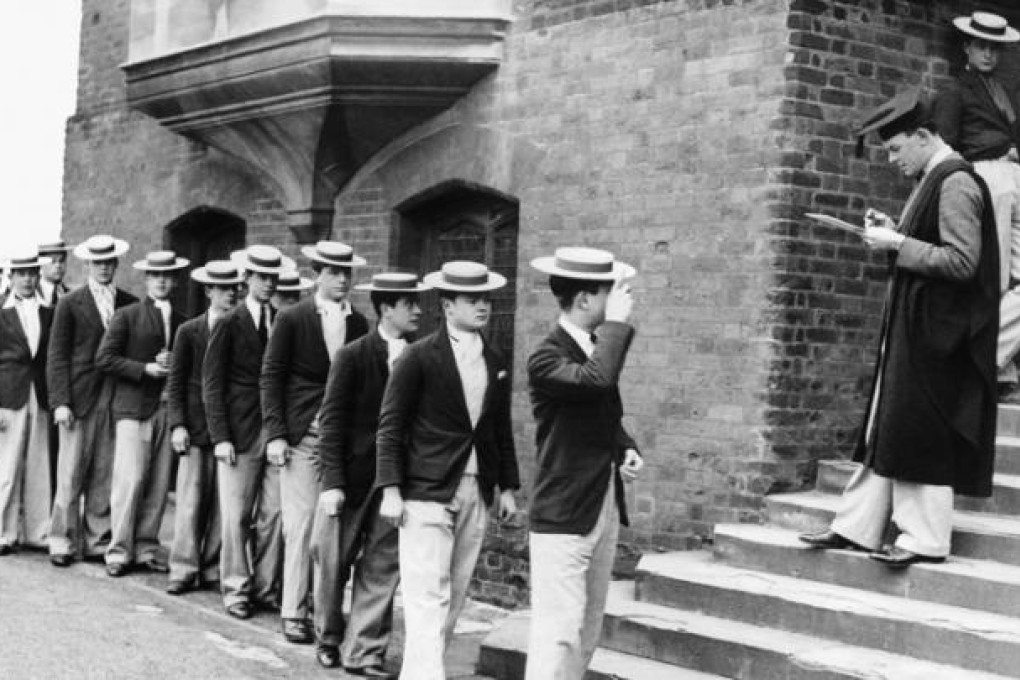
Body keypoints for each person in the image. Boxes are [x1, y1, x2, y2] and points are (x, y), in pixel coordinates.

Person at [800, 88, 999, 567]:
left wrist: (898, 243)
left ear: (925, 136)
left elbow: (961, 261)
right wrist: (895, 230)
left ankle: (925, 538)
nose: (891, 159)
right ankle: (857, 526)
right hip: (919, 325)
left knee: (917, 428)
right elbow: (930, 242)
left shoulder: (954, 182)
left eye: (895, 148)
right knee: (888, 423)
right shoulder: (936, 177)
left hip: (939, 334)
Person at [375, 260, 520, 680]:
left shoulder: (494, 358)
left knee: (454, 595)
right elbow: (390, 426)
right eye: (472, 300)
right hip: (426, 490)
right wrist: (390, 488)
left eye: (486, 299)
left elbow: (498, 426)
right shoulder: (418, 356)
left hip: (476, 489)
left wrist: (507, 486)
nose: (483, 307)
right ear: (447, 305)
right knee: (425, 596)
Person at [524, 247, 644, 680]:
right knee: (558, 633)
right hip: (564, 512)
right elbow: (595, 382)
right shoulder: (546, 356)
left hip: (601, 504)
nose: (619, 301)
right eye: (608, 294)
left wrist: (625, 446)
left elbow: (602, 412)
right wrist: (617, 324)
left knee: (587, 629)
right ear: (585, 301)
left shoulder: (595, 350)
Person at [312, 272, 429, 675]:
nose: (417, 310)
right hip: (350, 478)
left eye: (417, 303)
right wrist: (331, 483)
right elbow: (331, 421)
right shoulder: (353, 355)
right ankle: (328, 636)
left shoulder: (422, 356)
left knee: (381, 567)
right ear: (385, 308)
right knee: (332, 561)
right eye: (408, 303)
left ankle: (363, 651)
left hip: (393, 482)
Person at [261, 241, 370, 644]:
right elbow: (271, 377)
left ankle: (325, 615)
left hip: (340, 442)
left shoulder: (359, 323)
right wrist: (275, 433)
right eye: (334, 271)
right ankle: (294, 611)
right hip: (302, 435)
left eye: (347, 272)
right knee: (301, 524)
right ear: (317, 274)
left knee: (331, 534)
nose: (342, 279)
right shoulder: (292, 318)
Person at [931, 11, 1020, 398]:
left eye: (994, 47)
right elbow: (947, 146)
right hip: (987, 178)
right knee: (995, 275)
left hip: (1013, 178)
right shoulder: (956, 90)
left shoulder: (1002, 91)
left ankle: (990, 356)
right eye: (981, 45)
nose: (988, 54)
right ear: (967, 46)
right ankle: (995, 368)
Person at [202, 245, 289, 619]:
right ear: (247, 280)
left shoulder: (284, 321)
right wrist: (220, 437)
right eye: (262, 278)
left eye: (273, 278)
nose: (269, 284)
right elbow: (212, 384)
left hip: (276, 431)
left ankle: (266, 588)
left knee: (274, 513)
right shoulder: (228, 323)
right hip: (238, 433)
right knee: (236, 515)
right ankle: (236, 588)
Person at [96, 250, 188, 577]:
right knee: (129, 480)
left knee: (159, 482)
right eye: (155, 275)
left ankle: (147, 547)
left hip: (166, 407)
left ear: (174, 280)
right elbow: (104, 359)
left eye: (167, 275)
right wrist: (144, 368)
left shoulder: (182, 321)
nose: (162, 280)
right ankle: (119, 550)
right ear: (147, 279)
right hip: (133, 409)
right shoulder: (128, 315)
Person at [47, 235, 137, 567]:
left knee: (104, 471)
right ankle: (62, 539)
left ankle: (97, 540)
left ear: (116, 265)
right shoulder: (71, 303)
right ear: (87, 265)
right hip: (78, 397)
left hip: (114, 398)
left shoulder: (129, 303)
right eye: (97, 263)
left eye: (108, 263)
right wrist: (60, 401)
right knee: (69, 471)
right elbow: (57, 356)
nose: (103, 268)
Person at [165, 260, 242, 595]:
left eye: (234, 288)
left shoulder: (243, 329)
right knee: (191, 500)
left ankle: (211, 567)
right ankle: (183, 567)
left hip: (231, 429)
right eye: (223, 289)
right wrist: (178, 424)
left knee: (223, 503)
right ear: (208, 291)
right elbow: (177, 381)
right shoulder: (189, 331)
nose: (230, 295)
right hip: (196, 428)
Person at [0, 249, 54, 555]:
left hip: (40, 394)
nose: (28, 279)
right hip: (8, 396)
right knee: (6, 465)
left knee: (38, 462)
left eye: (32, 273)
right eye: (22, 274)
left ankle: (38, 532)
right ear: (11, 277)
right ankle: (3, 533)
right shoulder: (1, 310)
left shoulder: (49, 310)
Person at [37, 240, 72, 307]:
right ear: (41, 263)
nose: (58, 265)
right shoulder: (33, 294)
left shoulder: (71, 295)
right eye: (53, 261)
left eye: (61, 261)